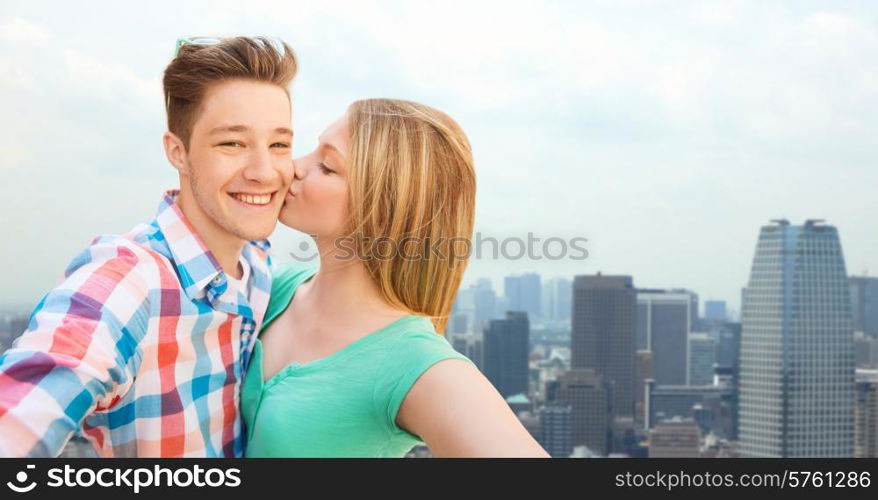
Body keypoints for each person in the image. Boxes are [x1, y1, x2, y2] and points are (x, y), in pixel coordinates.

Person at [0, 36, 297, 457]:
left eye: (280, 144)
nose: (265, 172)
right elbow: (32, 397)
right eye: (232, 143)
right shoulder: (131, 279)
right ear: (178, 151)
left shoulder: (261, 269)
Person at [242, 99, 550, 457]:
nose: (293, 167)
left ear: (384, 211)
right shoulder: (274, 288)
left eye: (326, 166)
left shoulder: (414, 363)